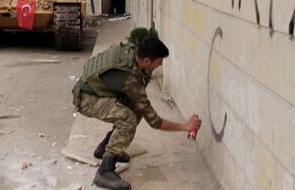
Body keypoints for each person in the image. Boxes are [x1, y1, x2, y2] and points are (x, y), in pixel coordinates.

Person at [71, 36, 202, 190]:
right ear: (147, 61)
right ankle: (104, 171)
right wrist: (185, 126)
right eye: (158, 62)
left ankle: (105, 149)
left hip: (95, 89)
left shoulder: (132, 52)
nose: (159, 65)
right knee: (127, 119)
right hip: (87, 98)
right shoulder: (131, 80)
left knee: (137, 109)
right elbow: (155, 122)